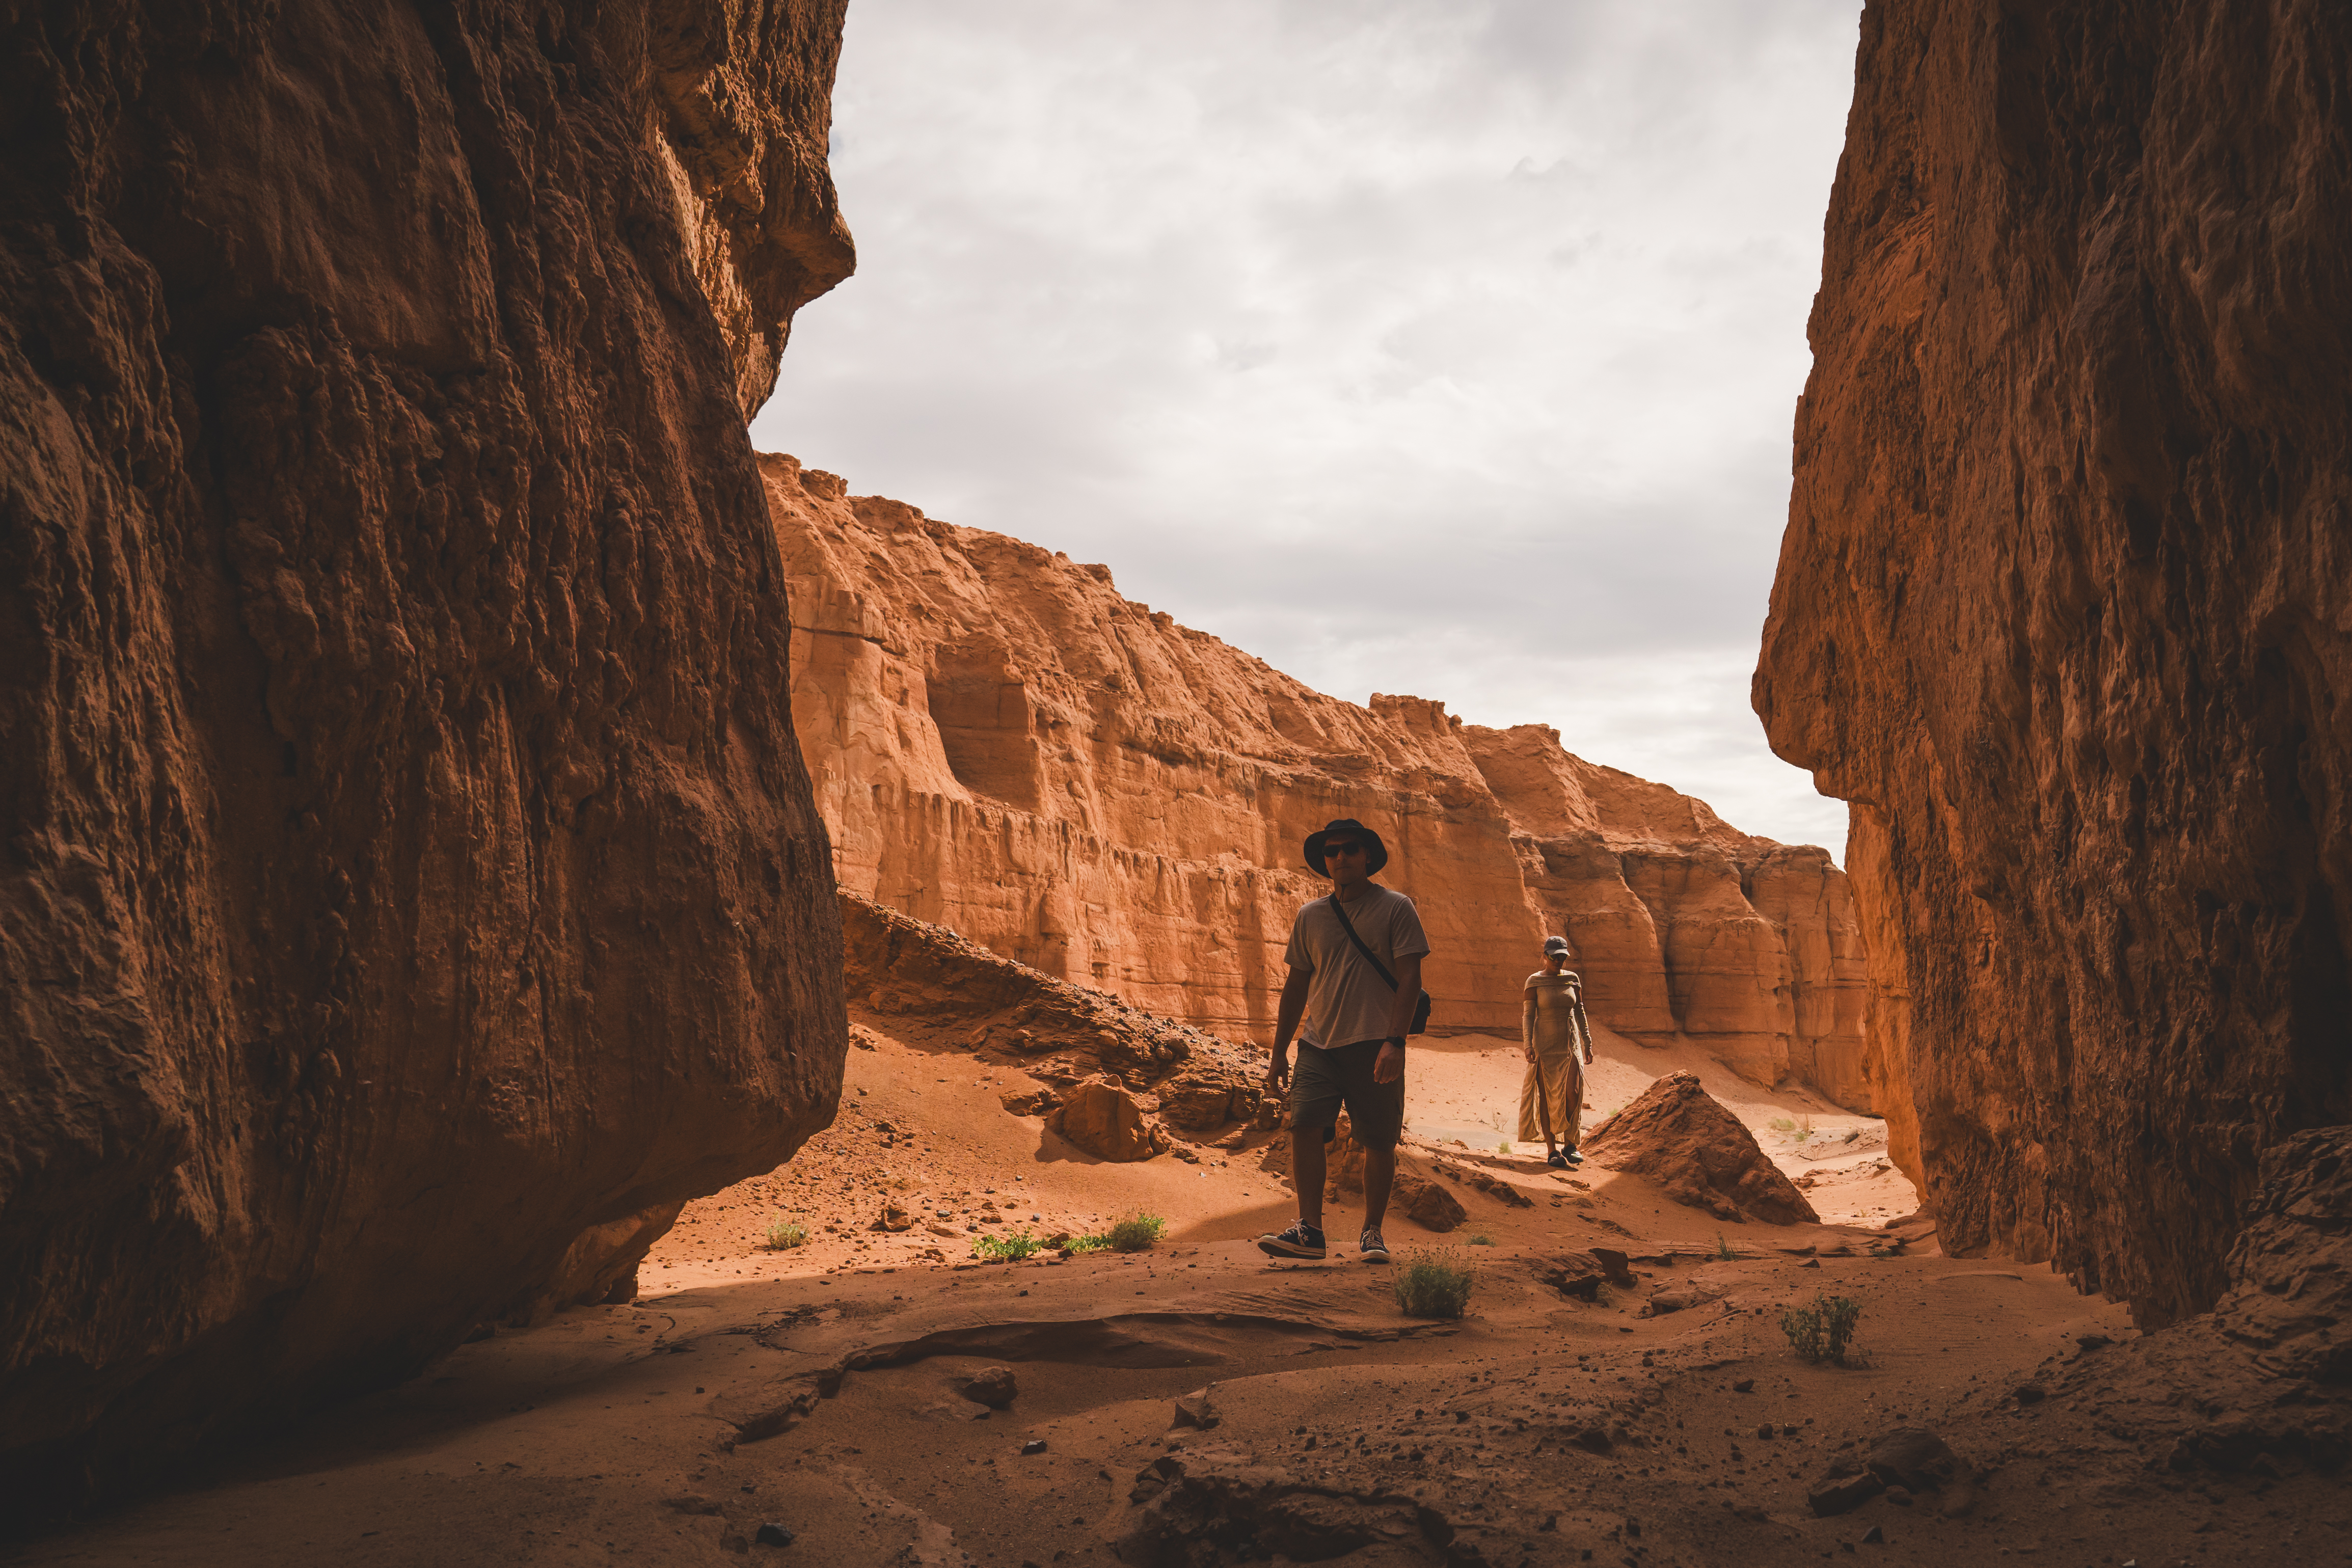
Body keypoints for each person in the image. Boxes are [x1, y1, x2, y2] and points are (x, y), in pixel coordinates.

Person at [1257, 818, 1430, 1263]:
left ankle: (1372, 1232)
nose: (1340, 857)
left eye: (1350, 848)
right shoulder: (1310, 915)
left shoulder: (1396, 907)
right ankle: (1310, 1231)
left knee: (1378, 1142)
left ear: (1367, 855)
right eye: (1332, 851)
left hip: (1375, 1043)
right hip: (1318, 1045)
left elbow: (1410, 978)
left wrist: (1395, 1042)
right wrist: (1278, 1053)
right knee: (1304, 1127)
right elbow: (1296, 986)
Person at [1519, 935, 1594, 1168]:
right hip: (1545, 1046)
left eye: (1562, 957)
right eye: (1554, 957)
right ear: (1544, 956)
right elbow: (1528, 1015)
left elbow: (1580, 1011)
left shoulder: (1572, 979)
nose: (1558, 961)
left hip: (1570, 1044)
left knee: (1573, 1092)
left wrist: (1587, 1041)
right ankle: (1552, 1151)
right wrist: (1528, 1044)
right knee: (1546, 1097)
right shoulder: (1534, 982)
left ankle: (1570, 1145)